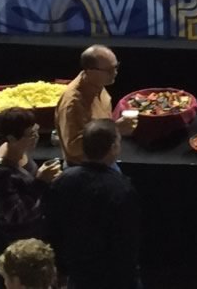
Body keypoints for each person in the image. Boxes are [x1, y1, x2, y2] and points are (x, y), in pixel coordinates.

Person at [46, 120, 141, 289]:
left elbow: (53, 227)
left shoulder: (62, 180)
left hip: (76, 269)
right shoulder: (121, 189)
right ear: (113, 148)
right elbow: (126, 241)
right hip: (110, 273)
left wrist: (59, 268)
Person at [0, 109, 62, 263]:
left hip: (33, 231)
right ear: (11, 138)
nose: (36, 137)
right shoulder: (0, 173)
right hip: (14, 242)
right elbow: (15, 215)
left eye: (36, 130)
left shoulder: (20, 151)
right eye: (31, 134)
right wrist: (41, 182)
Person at [55, 47, 138, 165]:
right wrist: (114, 129)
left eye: (116, 67)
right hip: (84, 170)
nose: (115, 73)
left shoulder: (98, 85)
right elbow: (73, 147)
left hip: (104, 162)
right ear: (89, 71)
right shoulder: (73, 102)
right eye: (109, 70)